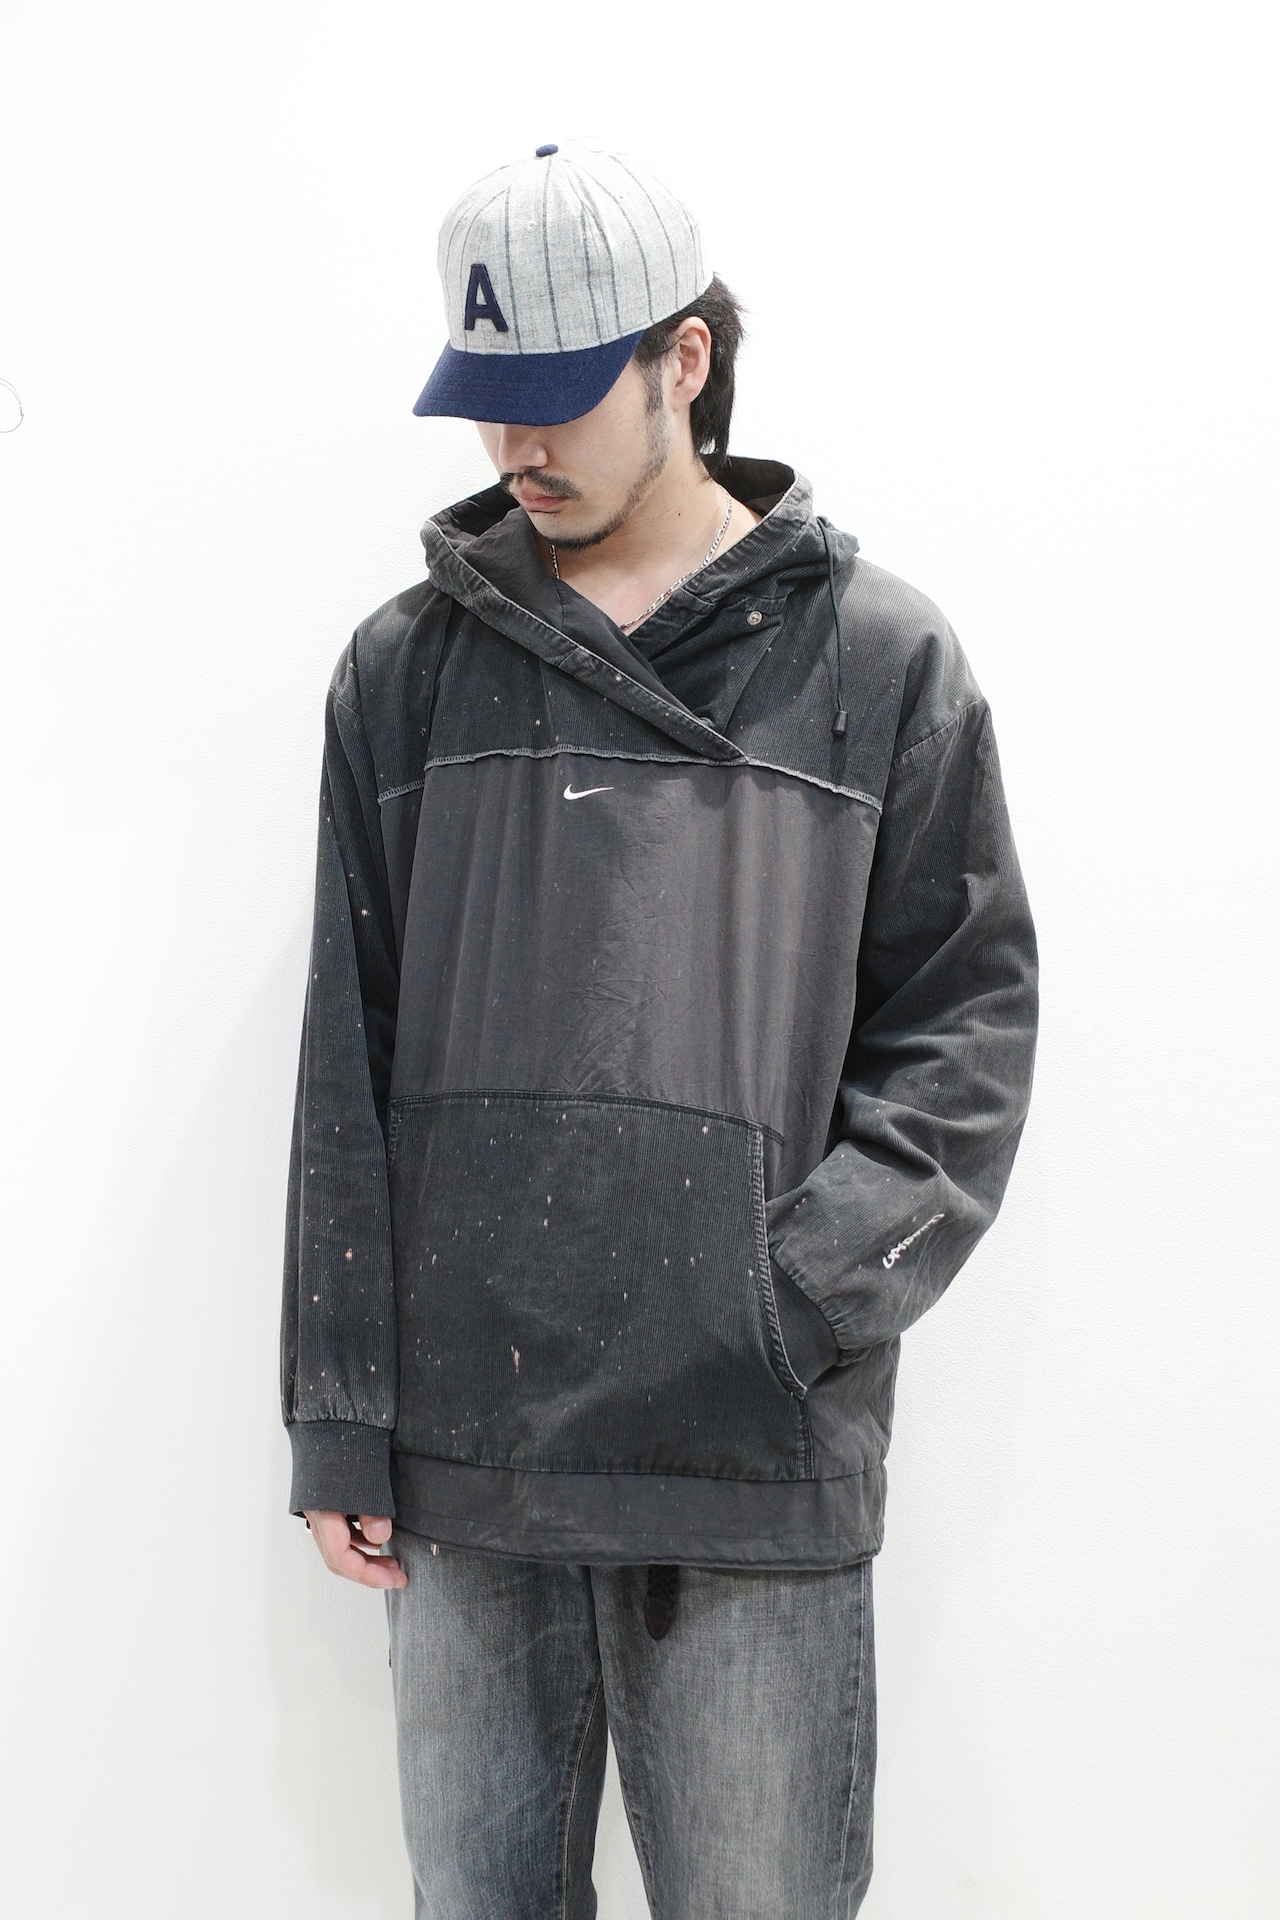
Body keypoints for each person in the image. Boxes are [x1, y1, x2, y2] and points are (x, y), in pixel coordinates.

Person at [281, 142, 1038, 1918]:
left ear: (682, 360)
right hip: (470, 1458)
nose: (515, 447)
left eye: (557, 395)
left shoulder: (875, 660)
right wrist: (340, 1414)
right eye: (489, 402)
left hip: (746, 1457)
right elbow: (345, 1060)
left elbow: (965, 1025)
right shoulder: (404, 671)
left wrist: (792, 1299)